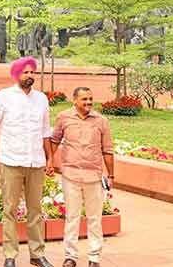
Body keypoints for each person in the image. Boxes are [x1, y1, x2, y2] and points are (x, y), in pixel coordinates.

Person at [0, 56, 55, 267]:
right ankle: (10, 255)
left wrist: (50, 158)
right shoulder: (4, 97)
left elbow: (45, 131)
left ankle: (37, 254)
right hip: (11, 161)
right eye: (25, 72)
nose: (29, 75)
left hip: (36, 162)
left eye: (32, 72)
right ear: (16, 74)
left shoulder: (41, 99)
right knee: (9, 210)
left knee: (35, 210)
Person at [50, 87, 114, 267]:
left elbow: (107, 149)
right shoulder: (64, 117)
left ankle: (94, 258)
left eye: (90, 99)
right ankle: (70, 256)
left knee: (95, 219)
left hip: (94, 176)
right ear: (75, 100)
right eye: (84, 99)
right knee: (72, 217)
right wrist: (49, 162)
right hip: (71, 175)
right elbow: (54, 141)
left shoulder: (101, 121)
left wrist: (111, 175)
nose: (88, 102)